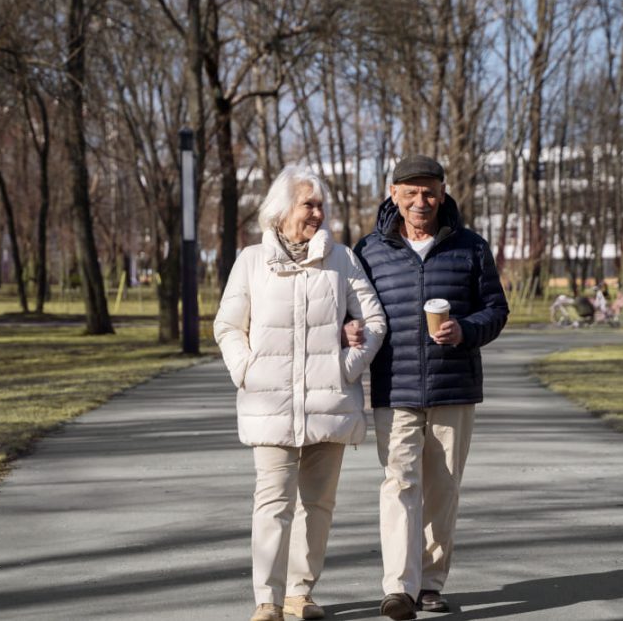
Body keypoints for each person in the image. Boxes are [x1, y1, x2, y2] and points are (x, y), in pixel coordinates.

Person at [214, 168, 387, 621]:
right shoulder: (252, 261)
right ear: (281, 209)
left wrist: (346, 366)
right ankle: (266, 601)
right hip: (269, 403)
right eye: (308, 204)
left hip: (329, 404)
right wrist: (246, 371)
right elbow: (228, 327)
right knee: (272, 503)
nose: (317, 212)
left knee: (318, 506)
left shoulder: (342, 259)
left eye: (320, 205)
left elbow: (374, 322)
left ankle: (299, 594)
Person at [354, 155, 509, 620]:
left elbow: (496, 310)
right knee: (399, 484)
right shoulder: (370, 250)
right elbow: (353, 310)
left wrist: (465, 329)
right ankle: (399, 587)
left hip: (453, 388)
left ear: (443, 192)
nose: (421, 201)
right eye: (411, 192)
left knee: (442, 488)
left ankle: (431, 583)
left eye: (429, 191)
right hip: (394, 387)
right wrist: (349, 330)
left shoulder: (471, 247)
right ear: (394, 193)